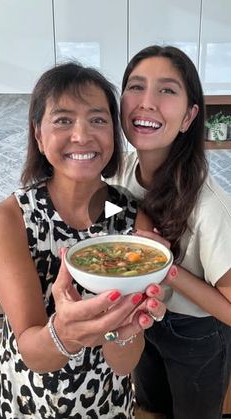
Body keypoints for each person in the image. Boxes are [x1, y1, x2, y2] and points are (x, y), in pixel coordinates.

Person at [0, 62, 169, 418]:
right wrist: (66, 331)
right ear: (39, 136)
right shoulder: (9, 219)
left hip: (104, 403)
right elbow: (35, 353)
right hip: (29, 402)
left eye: (98, 119)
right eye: (62, 119)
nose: (82, 135)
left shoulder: (133, 219)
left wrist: (126, 327)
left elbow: (123, 365)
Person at [107, 45, 231, 419]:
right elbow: (116, 211)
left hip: (198, 332)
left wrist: (166, 266)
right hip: (146, 317)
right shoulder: (124, 170)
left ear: (190, 115)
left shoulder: (209, 205)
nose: (147, 102)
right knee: (149, 410)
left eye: (167, 90)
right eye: (136, 86)